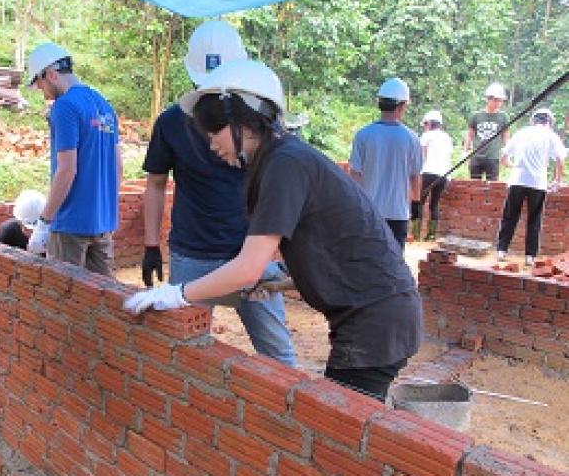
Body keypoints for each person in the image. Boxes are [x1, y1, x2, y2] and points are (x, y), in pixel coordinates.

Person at [125, 60, 423, 401]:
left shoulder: (285, 164)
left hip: (376, 321)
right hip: (377, 314)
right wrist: (280, 281)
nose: (211, 146)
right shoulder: (280, 159)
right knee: (341, 428)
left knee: (338, 435)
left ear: (242, 121)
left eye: (214, 133)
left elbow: (248, 267)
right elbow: (336, 254)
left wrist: (176, 293)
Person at [141, 21, 295, 366]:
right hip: (193, 253)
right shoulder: (171, 123)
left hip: (252, 253)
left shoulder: (261, 126)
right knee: (184, 351)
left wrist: (281, 249)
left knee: (280, 358)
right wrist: (151, 244)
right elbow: (155, 183)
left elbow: (281, 188)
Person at [26, 42, 121, 275]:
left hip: (70, 226)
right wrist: (102, 209)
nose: (44, 93)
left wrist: (44, 223)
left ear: (51, 74)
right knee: (102, 300)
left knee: (64, 302)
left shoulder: (64, 107)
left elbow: (67, 170)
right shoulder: (104, 105)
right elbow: (118, 168)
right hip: (103, 223)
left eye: (41, 86)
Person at [349, 78, 422, 249]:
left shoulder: (363, 135)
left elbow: (355, 174)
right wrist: (417, 204)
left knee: (367, 260)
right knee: (393, 266)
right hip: (398, 214)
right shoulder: (411, 138)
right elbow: (415, 177)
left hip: (369, 213)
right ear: (402, 105)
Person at [496, 108, 566, 266]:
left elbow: (504, 157)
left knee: (510, 216)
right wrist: (557, 180)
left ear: (533, 120)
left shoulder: (522, 133)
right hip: (537, 183)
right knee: (534, 220)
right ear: (549, 121)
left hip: (517, 180)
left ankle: (501, 250)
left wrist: (511, 165)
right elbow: (560, 159)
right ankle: (530, 256)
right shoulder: (551, 136)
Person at [410, 110, 453, 241]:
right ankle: (431, 235)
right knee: (434, 204)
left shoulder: (426, 136)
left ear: (428, 123)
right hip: (444, 175)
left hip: (428, 172)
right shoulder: (447, 138)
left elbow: (422, 156)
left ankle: (415, 234)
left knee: (418, 201)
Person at [463, 82, 510, 181]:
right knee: (474, 185)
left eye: (500, 101)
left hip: (493, 157)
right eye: (496, 100)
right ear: (488, 99)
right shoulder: (476, 116)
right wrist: (465, 151)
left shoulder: (503, 117)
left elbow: (505, 137)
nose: (498, 103)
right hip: (476, 156)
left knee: (492, 187)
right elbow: (469, 135)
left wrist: (506, 154)